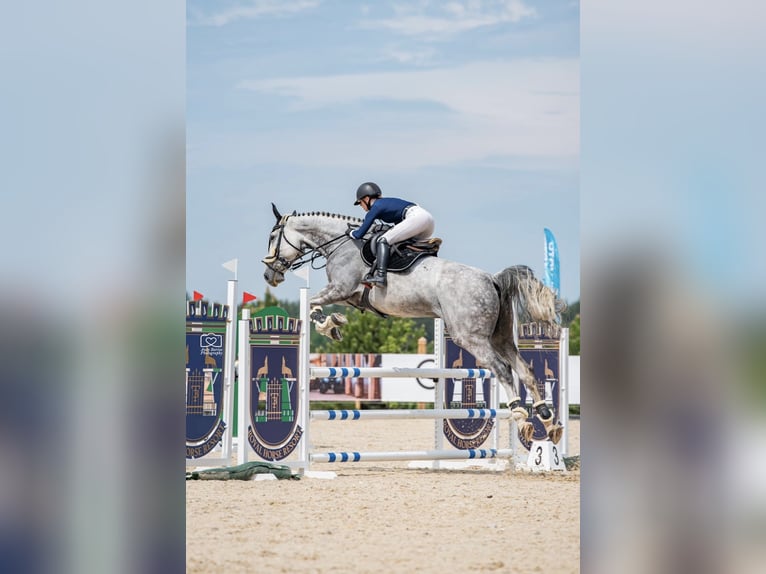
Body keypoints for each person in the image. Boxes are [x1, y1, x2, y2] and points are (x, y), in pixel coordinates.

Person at [349, 182, 435, 287]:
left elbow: (359, 234)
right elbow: (399, 226)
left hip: (416, 218)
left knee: (383, 240)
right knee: (401, 243)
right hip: (428, 221)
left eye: (360, 203)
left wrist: (350, 232)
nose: (361, 206)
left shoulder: (376, 206)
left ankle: (380, 276)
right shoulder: (386, 203)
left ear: (366, 199)